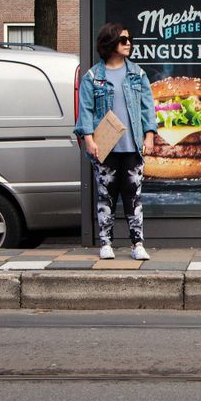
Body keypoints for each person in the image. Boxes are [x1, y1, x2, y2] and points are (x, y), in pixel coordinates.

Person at [75, 23, 157, 261]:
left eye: (130, 39)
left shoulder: (137, 74)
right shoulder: (93, 77)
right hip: (105, 146)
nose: (129, 44)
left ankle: (138, 243)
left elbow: (147, 108)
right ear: (110, 43)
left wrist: (149, 135)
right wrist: (89, 140)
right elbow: (86, 111)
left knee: (133, 195)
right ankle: (106, 243)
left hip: (132, 146)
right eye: (123, 40)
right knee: (105, 196)